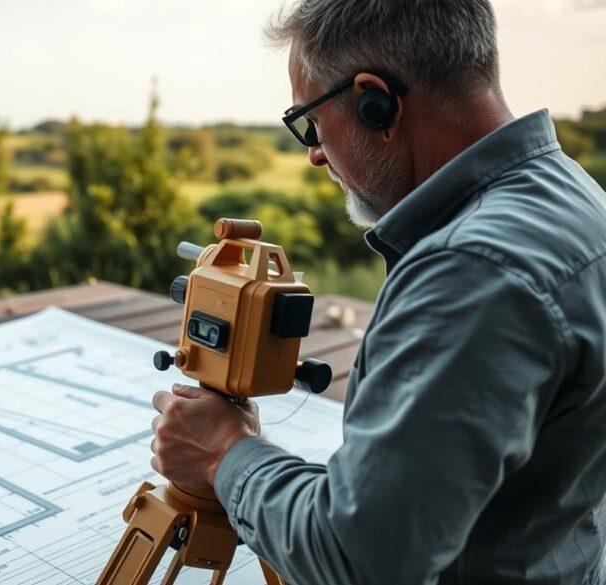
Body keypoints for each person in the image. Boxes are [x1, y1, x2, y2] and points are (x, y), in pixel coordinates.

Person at [149, 1, 606, 583]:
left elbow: (357, 556)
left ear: (377, 103)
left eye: (310, 121)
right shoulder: (575, 197)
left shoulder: (470, 271)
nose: (314, 153)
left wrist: (222, 455)